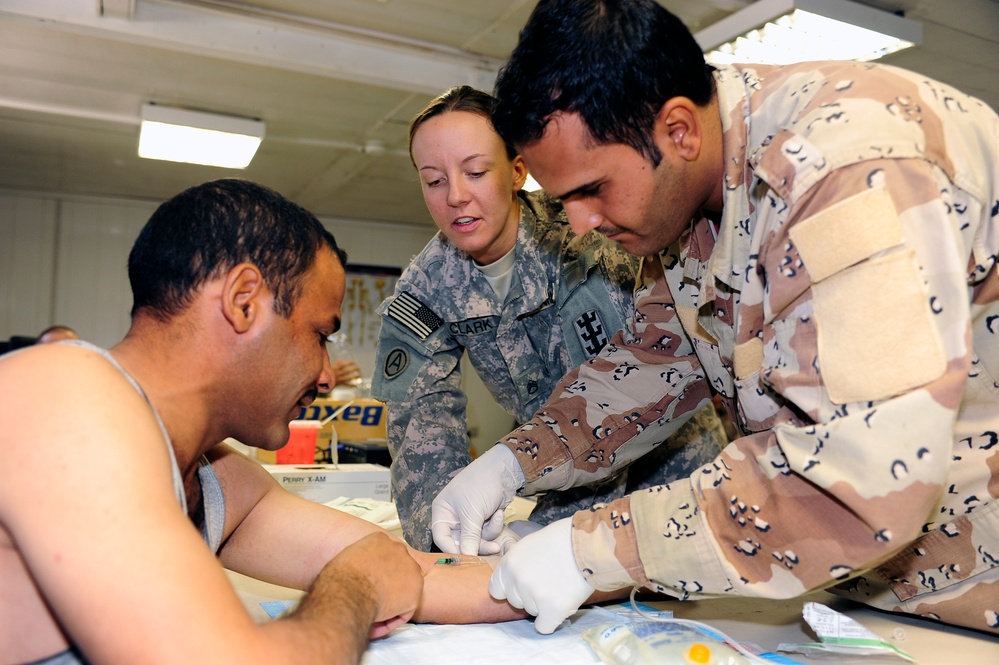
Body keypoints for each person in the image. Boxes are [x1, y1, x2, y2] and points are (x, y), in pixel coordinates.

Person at [432, 0, 999, 637]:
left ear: (679, 130)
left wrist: (595, 551)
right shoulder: (686, 199)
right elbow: (650, 368)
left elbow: (856, 473)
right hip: (879, 595)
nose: (580, 222)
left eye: (591, 189)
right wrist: (512, 463)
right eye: (563, 199)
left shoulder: (847, 173)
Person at [0, 179, 527, 665]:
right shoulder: (65, 399)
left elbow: (407, 570)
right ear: (243, 301)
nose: (326, 375)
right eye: (319, 335)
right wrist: (354, 590)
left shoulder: (213, 481)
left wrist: (590, 559)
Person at [371, 85, 727, 551]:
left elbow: (615, 396)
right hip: (552, 468)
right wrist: (449, 538)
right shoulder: (426, 287)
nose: (456, 196)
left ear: (517, 171)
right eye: (434, 180)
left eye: (476, 172)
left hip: (675, 487)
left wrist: (545, 531)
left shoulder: (588, 239)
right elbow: (420, 427)